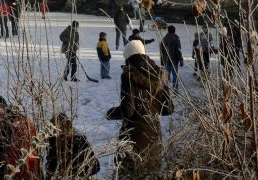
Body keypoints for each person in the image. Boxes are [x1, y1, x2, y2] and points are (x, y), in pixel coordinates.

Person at [106, 41, 174, 177]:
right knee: (150, 174)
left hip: (134, 136)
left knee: (129, 174)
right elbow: (168, 108)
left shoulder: (129, 75)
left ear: (128, 56)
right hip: (154, 135)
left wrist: (110, 113)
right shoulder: (161, 74)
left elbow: (128, 111)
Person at [46, 112, 99, 179]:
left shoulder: (79, 142)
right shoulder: (53, 141)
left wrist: (72, 172)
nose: (61, 136)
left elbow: (95, 167)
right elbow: (50, 167)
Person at [6, 106, 39, 179]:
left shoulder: (24, 129)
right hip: (24, 168)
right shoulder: (24, 126)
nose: (11, 124)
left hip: (25, 168)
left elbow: (23, 153)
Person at [160, 25, 183, 90]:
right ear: (174, 31)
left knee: (166, 75)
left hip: (166, 61)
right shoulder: (176, 39)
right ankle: (175, 87)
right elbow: (179, 51)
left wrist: (162, 60)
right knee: (175, 75)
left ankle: (165, 87)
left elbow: (161, 51)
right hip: (174, 61)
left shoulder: (164, 39)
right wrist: (181, 59)